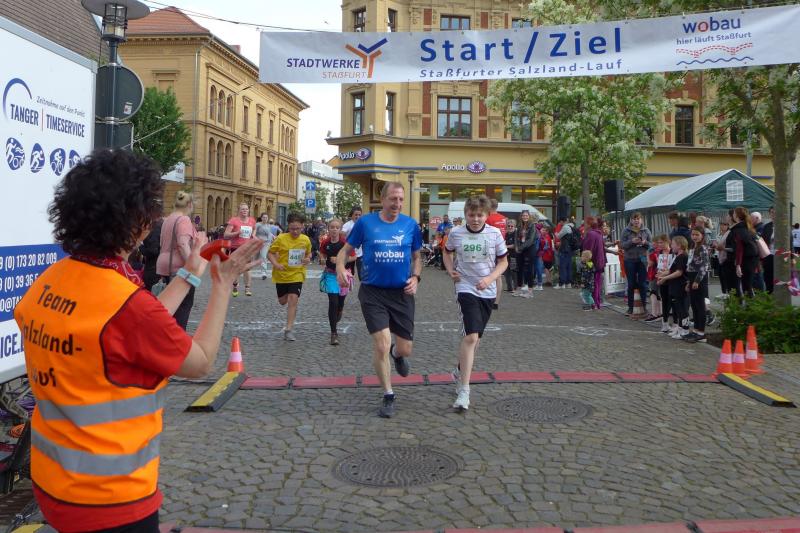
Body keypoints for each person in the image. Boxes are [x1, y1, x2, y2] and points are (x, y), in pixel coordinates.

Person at [14, 149, 261, 533]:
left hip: (52, 482)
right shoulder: (125, 304)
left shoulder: (50, 280)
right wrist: (223, 284)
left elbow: (138, 323)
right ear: (140, 223)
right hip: (111, 498)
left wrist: (190, 273)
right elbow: (198, 361)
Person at [336, 181, 422, 419]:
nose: (397, 203)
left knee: (404, 349)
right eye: (393, 199)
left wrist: (416, 277)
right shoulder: (365, 223)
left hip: (402, 293)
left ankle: (397, 354)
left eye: (401, 199)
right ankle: (388, 394)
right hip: (373, 292)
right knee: (382, 344)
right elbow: (344, 251)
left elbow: (417, 257)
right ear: (383, 200)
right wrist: (341, 268)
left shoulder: (410, 225)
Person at [443, 195, 508, 411]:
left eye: (480, 215)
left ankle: (459, 369)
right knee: (470, 336)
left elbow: (503, 261)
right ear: (465, 215)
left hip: (487, 290)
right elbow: (446, 251)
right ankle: (464, 390)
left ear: (487, 215)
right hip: (465, 286)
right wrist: (450, 269)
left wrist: (490, 278)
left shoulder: (494, 233)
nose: (475, 219)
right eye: (471, 215)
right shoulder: (456, 233)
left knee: (476, 338)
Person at [156, 191, 198, 330]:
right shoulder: (183, 219)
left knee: (168, 308)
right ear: (190, 204)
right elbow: (183, 244)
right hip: (179, 269)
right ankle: (177, 338)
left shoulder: (168, 219)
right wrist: (193, 265)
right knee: (182, 309)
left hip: (164, 266)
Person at [268, 212, 312, 341]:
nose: (295, 231)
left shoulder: (305, 239)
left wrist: (307, 259)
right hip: (282, 275)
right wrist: (276, 264)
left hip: (297, 274)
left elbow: (308, 254)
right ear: (288, 226)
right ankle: (286, 295)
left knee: (293, 299)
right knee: (282, 301)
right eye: (292, 228)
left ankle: (288, 330)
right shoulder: (281, 238)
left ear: (302, 226)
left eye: (298, 228)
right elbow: (270, 253)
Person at [319, 218, 356, 345]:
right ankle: (333, 333)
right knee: (333, 302)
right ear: (328, 229)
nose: (334, 230)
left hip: (344, 275)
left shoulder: (345, 243)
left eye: (337, 227)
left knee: (340, 302)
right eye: (332, 227)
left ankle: (340, 310)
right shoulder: (325, 242)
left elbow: (354, 257)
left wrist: (341, 260)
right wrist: (322, 259)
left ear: (340, 230)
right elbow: (322, 253)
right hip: (330, 275)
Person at [657, 236, 690, 339]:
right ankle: (679, 328)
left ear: (679, 246)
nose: (671, 246)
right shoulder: (677, 256)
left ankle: (684, 330)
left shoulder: (683, 256)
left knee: (682, 309)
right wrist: (661, 275)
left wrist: (665, 278)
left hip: (681, 286)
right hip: (675, 286)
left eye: (673, 244)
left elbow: (679, 272)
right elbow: (671, 270)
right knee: (678, 308)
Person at [620, 212, 652, 316]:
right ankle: (630, 307)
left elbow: (652, 245)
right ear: (631, 220)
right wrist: (632, 241)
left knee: (643, 284)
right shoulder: (626, 231)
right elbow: (622, 245)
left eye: (638, 219)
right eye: (634, 219)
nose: (636, 221)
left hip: (642, 260)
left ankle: (643, 306)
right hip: (629, 259)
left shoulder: (646, 230)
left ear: (641, 220)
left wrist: (645, 243)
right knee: (631, 284)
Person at [683, 226, 710, 343]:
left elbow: (704, 266)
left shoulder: (703, 248)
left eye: (697, 235)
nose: (694, 237)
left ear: (702, 235)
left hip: (699, 278)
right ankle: (695, 330)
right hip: (691, 276)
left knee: (700, 306)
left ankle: (701, 332)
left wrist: (697, 281)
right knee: (694, 305)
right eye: (693, 234)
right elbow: (690, 265)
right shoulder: (692, 247)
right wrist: (689, 281)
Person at [726, 206, 760, 298]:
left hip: (746, 260)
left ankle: (749, 305)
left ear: (736, 216)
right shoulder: (749, 227)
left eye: (734, 213)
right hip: (753, 259)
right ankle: (752, 303)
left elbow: (739, 248)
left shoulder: (738, 230)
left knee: (746, 286)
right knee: (749, 285)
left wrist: (738, 265)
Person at [224, 203, 257, 296]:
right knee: (235, 268)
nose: (245, 211)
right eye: (242, 209)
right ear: (239, 210)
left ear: (248, 210)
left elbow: (254, 228)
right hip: (235, 248)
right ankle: (235, 285)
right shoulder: (233, 220)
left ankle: (247, 288)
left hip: (247, 248)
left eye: (246, 209)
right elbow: (226, 235)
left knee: (247, 268)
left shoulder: (252, 220)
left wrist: (253, 235)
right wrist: (237, 233)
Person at [581, 216, 607, 309]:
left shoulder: (591, 234)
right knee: (597, 284)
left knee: (593, 284)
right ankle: (597, 303)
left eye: (585, 223)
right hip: (599, 263)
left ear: (589, 224)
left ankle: (593, 303)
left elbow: (588, 252)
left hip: (593, 264)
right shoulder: (598, 234)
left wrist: (586, 264)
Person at [485, 198, 507, 309]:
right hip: (502, 247)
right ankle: (496, 301)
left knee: (489, 274)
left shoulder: (488, 218)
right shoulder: (504, 218)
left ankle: (488, 297)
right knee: (498, 275)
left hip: (491, 248)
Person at [513, 210, 538, 298]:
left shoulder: (532, 225)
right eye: (523, 215)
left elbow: (530, 240)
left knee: (529, 270)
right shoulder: (519, 225)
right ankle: (519, 289)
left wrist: (520, 248)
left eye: (526, 215)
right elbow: (516, 237)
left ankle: (530, 291)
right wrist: (516, 247)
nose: (525, 217)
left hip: (529, 249)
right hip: (520, 249)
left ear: (529, 216)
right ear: (521, 216)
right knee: (519, 269)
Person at [644, 234, 669, 323]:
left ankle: (656, 314)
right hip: (658, 274)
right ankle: (659, 314)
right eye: (657, 243)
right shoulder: (659, 252)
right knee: (657, 294)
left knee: (655, 293)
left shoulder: (656, 252)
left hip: (656, 275)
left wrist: (647, 255)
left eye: (660, 243)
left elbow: (651, 263)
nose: (658, 245)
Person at [138, 216, 163, 291]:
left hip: (153, 267)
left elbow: (153, 251)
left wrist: (140, 245)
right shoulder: (158, 226)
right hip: (154, 266)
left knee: (150, 289)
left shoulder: (156, 228)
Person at [341, 206, 364, 279]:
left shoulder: (363, 224)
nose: (358, 216)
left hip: (360, 254)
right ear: (352, 215)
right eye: (356, 215)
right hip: (350, 254)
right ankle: (348, 284)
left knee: (362, 274)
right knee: (349, 273)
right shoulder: (347, 225)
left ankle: (363, 285)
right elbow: (342, 235)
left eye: (359, 215)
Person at [555, 217, 578, 289]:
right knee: (568, 266)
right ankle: (568, 283)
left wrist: (556, 233)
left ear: (562, 221)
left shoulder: (565, 227)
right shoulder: (572, 227)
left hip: (564, 249)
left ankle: (562, 283)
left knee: (562, 266)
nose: (560, 223)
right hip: (570, 250)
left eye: (560, 222)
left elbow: (558, 236)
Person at [255, 213, 276, 280]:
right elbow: (254, 233)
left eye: (266, 217)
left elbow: (269, 233)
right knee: (255, 257)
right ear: (261, 218)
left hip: (267, 243)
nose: (265, 219)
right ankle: (247, 268)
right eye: (264, 217)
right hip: (259, 242)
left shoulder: (268, 225)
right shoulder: (258, 224)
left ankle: (264, 272)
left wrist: (274, 236)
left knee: (263, 256)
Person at [503, 219, 518, 292]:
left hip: (514, 256)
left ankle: (515, 288)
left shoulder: (516, 234)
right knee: (506, 272)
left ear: (514, 226)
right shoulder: (507, 234)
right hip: (507, 255)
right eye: (508, 226)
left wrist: (506, 246)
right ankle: (509, 287)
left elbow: (516, 245)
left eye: (512, 226)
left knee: (513, 271)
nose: (510, 227)